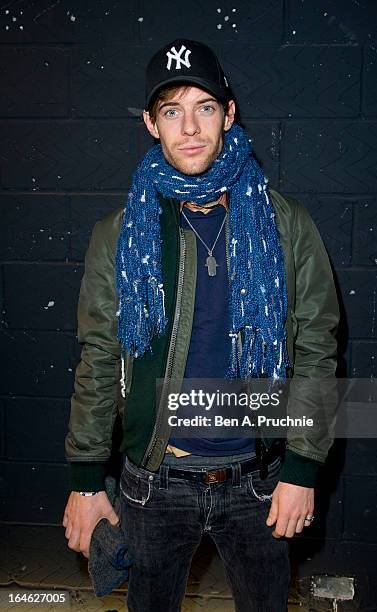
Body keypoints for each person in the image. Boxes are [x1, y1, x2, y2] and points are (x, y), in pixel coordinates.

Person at [63, 39, 340, 611]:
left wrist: (302, 469)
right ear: (150, 123)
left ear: (229, 114)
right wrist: (87, 479)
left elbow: (317, 348)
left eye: (205, 107)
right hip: (154, 481)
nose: (190, 127)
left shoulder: (286, 223)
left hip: (259, 479)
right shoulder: (118, 233)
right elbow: (98, 359)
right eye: (172, 111)